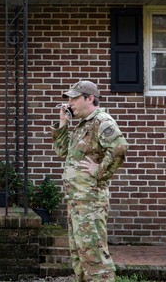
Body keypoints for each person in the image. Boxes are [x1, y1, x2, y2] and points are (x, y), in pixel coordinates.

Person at [52, 80, 128, 282]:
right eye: (69, 98)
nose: (70, 103)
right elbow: (62, 152)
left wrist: (99, 171)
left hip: (90, 202)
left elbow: (120, 147)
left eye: (74, 98)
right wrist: (63, 124)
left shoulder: (101, 121)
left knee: (95, 258)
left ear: (90, 98)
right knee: (80, 257)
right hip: (77, 201)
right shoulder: (82, 124)